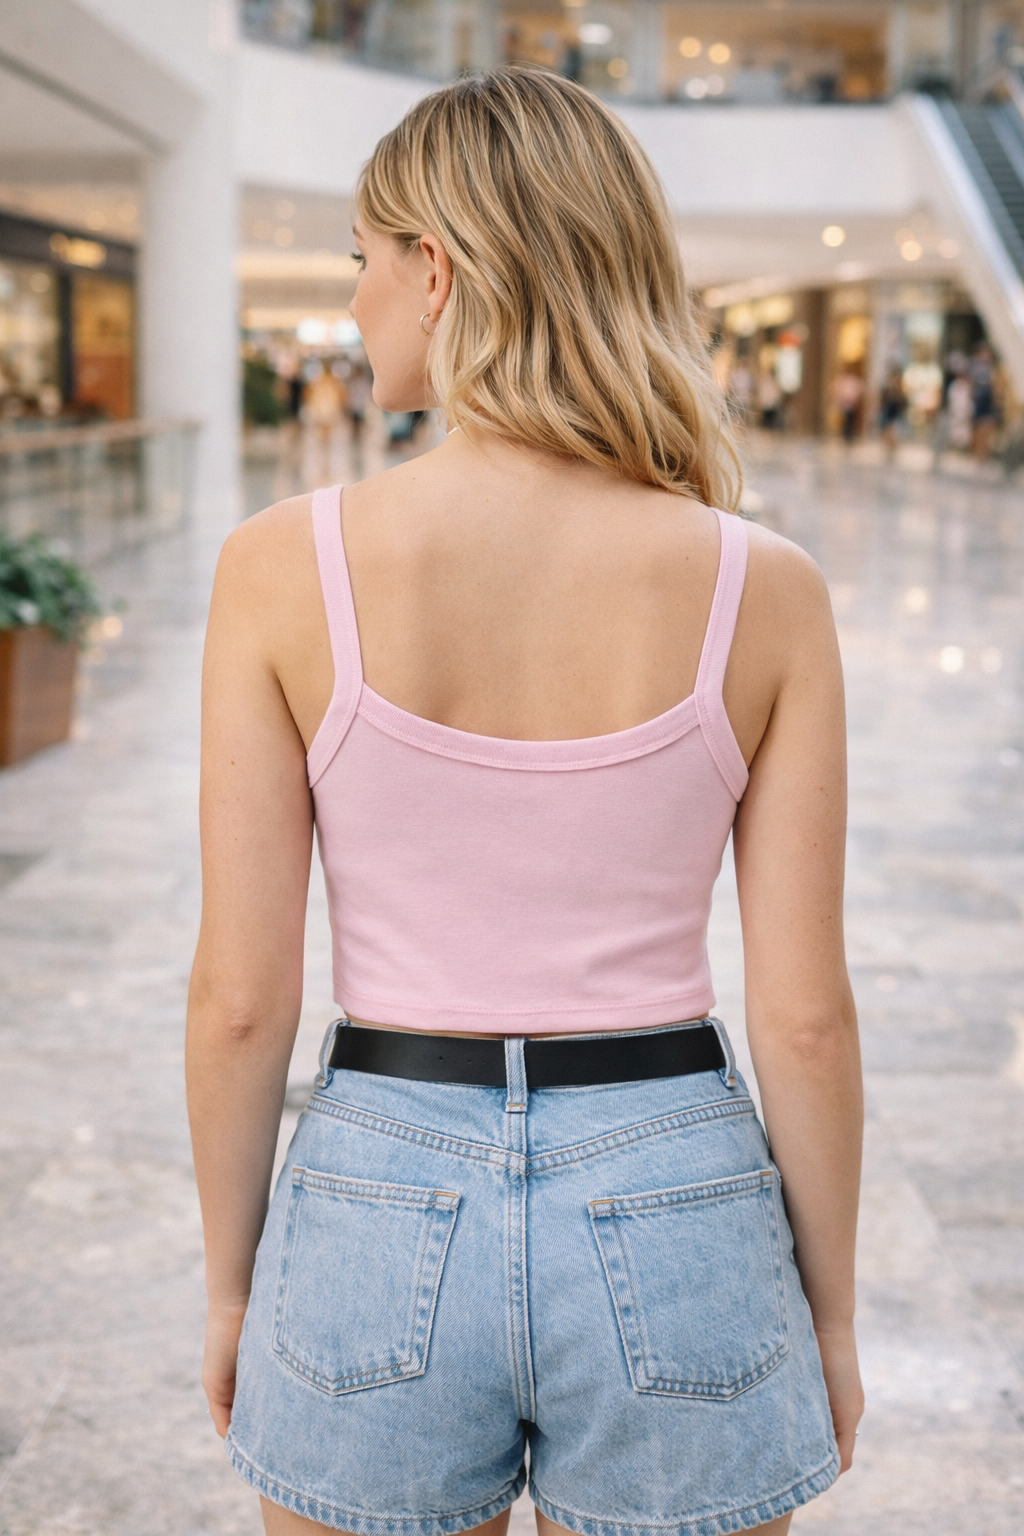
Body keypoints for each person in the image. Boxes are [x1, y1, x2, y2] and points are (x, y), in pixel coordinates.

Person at [188, 67, 863, 1536]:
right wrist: (833, 1315)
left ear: (437, 270)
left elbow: (241, 999)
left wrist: (239, 1280)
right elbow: (806, 1013)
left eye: (365, 262)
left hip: (379, 1179)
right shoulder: (766, 589)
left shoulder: (277, 568)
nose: (356, 300)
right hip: (676, 1177)